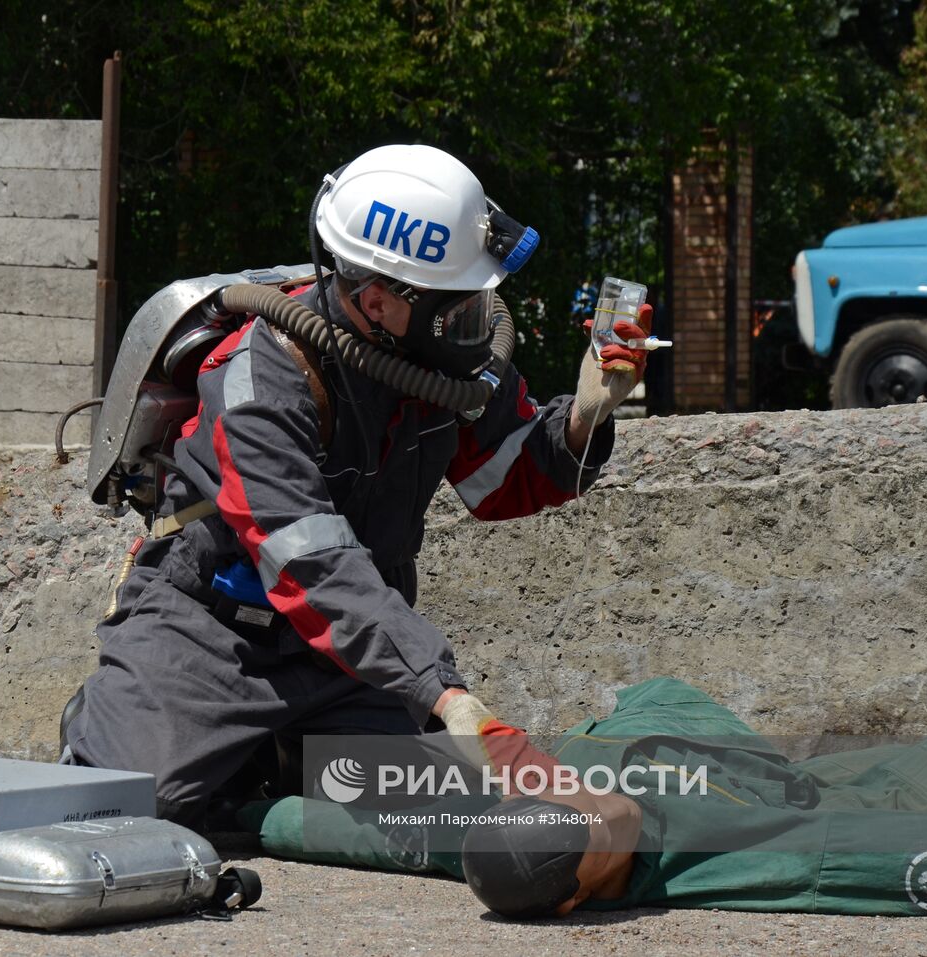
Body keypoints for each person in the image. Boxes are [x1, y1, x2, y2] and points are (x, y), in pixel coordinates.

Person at [61, 143, 652, 828]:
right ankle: (116, 719)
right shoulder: (259, 381)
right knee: (131, 807)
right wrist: (446, 693)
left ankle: (277, 755)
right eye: (458, 307)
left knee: (444, 806)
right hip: (214, 634)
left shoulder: (435, 360)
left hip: (344, 655)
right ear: (377, 300)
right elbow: (315, 565)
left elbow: (504, 477)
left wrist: (585, 415)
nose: (480, 323)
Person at [242, 678, 927, 918]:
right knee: (915, 775)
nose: (594, 806)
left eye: (568, 802)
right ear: (577, 896)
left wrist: (241, 816)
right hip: (802, 793)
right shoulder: (742, 858)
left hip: (651, 716)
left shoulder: (482, 828)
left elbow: (337, 825)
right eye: (591, 834)